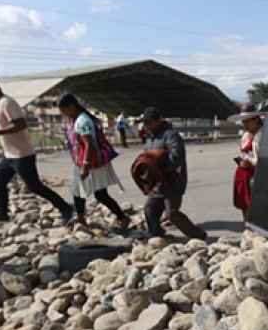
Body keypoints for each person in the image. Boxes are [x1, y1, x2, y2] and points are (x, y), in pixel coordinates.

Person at [0, 72, 74, 225]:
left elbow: (20, 124)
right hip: (10, 156)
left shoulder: (7, 103)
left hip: (22, 155)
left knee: (34, 186)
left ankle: (65, 208)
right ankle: (1, 214)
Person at [57, 93, 131, 231]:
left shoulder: (82, 121)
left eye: (64, 110)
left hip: (90, 163)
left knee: (81, 191)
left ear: (71, 106)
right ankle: (121, 218)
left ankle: (82, 218)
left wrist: (85, 166)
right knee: (96, 194)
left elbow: (89, 144)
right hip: (87, 162)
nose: (64, 114)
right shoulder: (79, 118)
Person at [140, 106, 207, 240]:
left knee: (172, 213)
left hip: (172, 182)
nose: (146, 126)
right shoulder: (149, 138)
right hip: (157, 184)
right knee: (149, 209)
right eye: (144, 123)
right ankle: (156, 234)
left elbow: (177, 156)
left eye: (149, 122)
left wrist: (162, 169)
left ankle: (199, 235)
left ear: (158, 121)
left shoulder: (170, 135)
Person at [228, 103, 265, 221]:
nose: (244, 124)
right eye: (243, 121)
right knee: (245, 207)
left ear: (256, 120)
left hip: (255, 176)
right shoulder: (247, 134)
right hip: (244, 175)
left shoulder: (261, 136)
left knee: (254, 207)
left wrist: (250, 163)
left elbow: (263, 160)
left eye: (247, 121)